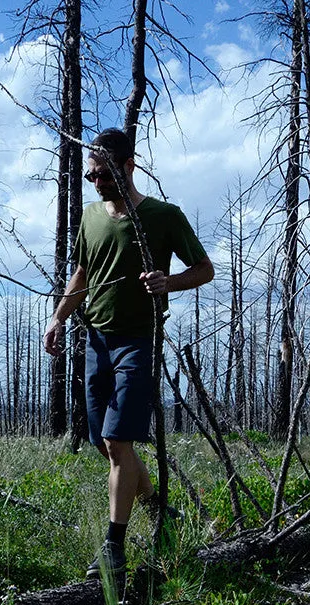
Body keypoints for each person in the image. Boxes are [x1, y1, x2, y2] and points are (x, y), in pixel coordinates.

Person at [43, 128, 214, 579]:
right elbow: (82, 272)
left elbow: (205, 269)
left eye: (102, 174)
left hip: (138, 341)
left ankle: (113, 548)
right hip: (95, 340)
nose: (95, 182)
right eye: (90, 175)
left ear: (127, 166)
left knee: (119, 442)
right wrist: (59, 316)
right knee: (107, 445)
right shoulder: (92, 217)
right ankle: (158, 508)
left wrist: (167, 282)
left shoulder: (162, 215)